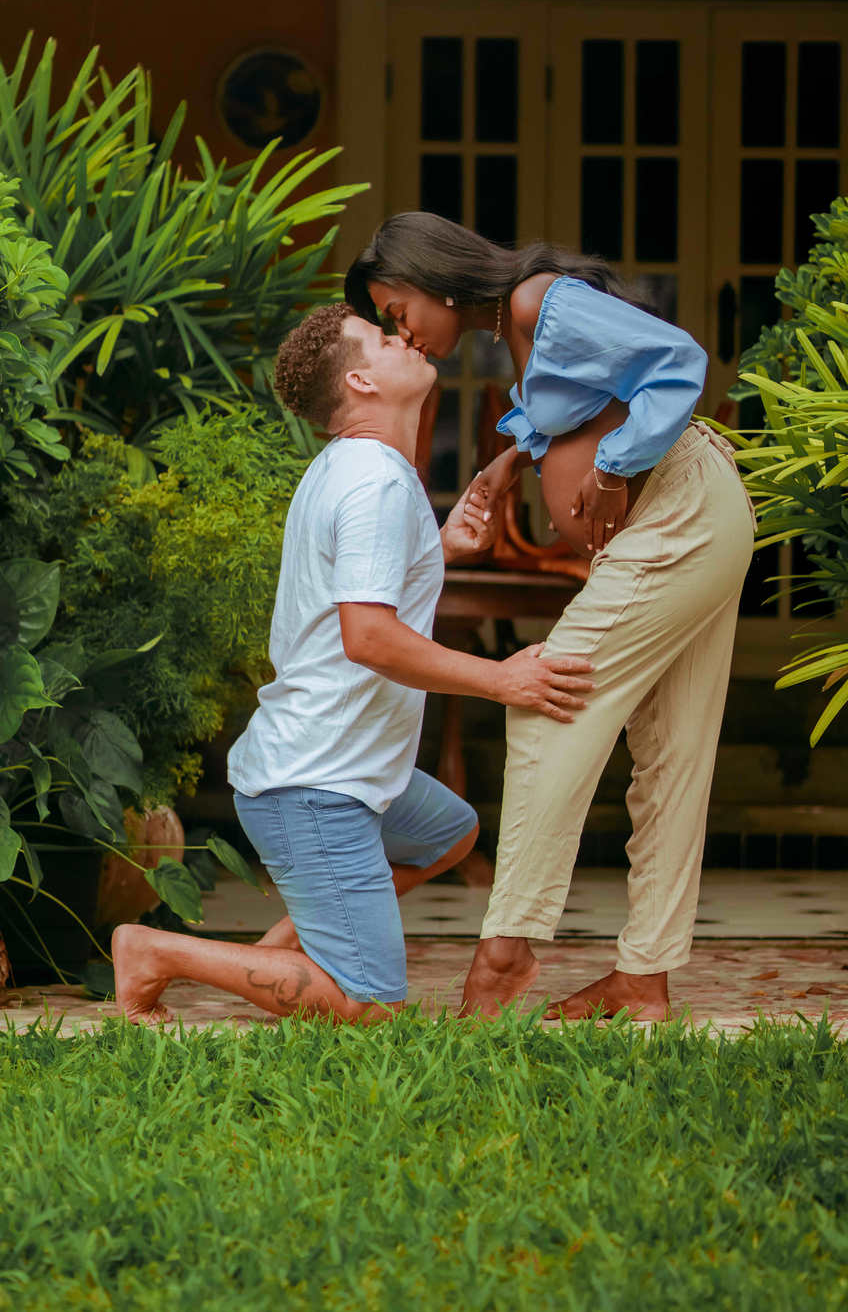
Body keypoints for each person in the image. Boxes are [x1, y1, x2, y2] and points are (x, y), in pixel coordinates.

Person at [111, 300, 594, 1026]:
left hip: (346, 769)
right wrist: (502, 678)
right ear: (362, 384)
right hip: (315, 784)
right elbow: (367, 638)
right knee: (370, 1006)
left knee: (449, 833)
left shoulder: (359, 470)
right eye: (384, 336)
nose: (407, 337)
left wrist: (438, 547)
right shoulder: (373, 482)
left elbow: (357, 591)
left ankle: (297, 952)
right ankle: (156, 952)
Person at [345, 212, 757, 1022]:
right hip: (687, 519)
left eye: (399, 313)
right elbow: (589, 402)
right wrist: (508, 462)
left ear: (435, 278)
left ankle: (505, 953)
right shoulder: (520, 323)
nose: (407, 335)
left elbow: (678, 363)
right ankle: (644, 982)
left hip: (680, 513)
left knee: (544, 699)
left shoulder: (539, 301)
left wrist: (613, 467)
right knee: (671, 754)